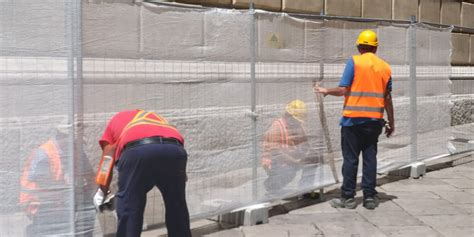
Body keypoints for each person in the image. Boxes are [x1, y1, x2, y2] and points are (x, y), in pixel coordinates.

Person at [314, 30, 395, 210]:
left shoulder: (354, 62)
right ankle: (369, 198)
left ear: (359, 46)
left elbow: (343, 90)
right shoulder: (385, 67)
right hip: (374, 121)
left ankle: (348, 198)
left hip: (352, 121)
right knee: (369, 158)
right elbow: (387, 98)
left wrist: (325, 91)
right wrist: (392, 122)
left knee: (350, 160)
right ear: (376, 47)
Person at [93, 109, 191, 237]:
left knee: (130, 208)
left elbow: (108, 157)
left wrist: (102, 190)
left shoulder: (114, 122)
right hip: (175, 150)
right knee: (177, 208)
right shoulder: (155, 118)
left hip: (139, 151)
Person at [19, 126, 96, 236]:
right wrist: (67, 194)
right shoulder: (44, 154)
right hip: (39, 202)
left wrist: (98, 194)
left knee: (89, 205)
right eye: (74, 141)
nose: (77, 145)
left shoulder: (75, 151)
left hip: (62, 197)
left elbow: (90, 177)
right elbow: (43, 189)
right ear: (62, 138)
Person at [261, 100, 321, 196]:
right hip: (276, 161)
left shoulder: (298, 125)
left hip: (291, 156)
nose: (298, 122)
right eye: (296, 119)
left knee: (313, 158)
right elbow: (276, 153)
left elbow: (305, 144)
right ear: (288, 115)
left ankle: (305, 189)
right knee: (289, 171)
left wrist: (308, 155)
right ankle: (271, 186)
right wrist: (295, 162)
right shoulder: (277, 127)